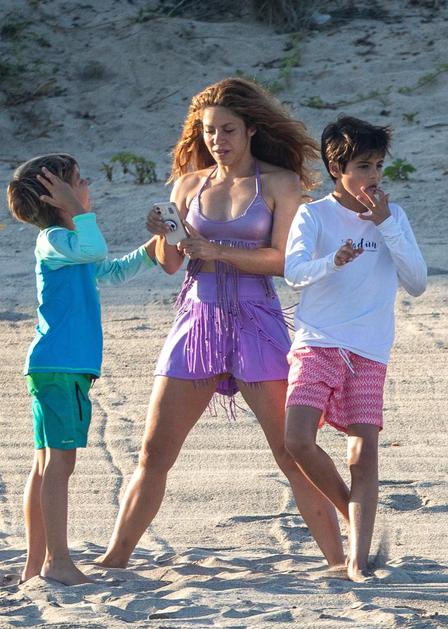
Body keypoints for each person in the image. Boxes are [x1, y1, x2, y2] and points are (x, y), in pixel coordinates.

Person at [99, 77, 346, 570]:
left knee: (291, 454)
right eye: (209, 131)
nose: (217, 140)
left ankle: (342, 560)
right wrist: (163, 235)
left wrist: (216, 250)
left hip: (258, 324)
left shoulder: (279, 183)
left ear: (251, 129)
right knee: (153, 454)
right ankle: (113, 560)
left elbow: (284, 261)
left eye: (228, 130)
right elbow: (172, 264)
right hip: (197, 322)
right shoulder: (188, 185)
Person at [283, 116, 427, 582]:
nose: (374, 176)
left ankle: (358, 561)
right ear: (336, 168)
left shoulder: (393, 216)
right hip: (318, 341)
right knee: (297, 440)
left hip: (369, 349)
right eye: (363, 166)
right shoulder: (314, 215)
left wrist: (387, 225)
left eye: (379, 165)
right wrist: (333, 260)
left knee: (363, 454)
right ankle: (354, 515)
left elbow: (417, 283)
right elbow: (294, 272)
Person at [7, 154, 157, 586]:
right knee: (58, 465)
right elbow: (95, 249)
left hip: (58, 368)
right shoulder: (54, 238)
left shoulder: (68, 243)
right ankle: (57, 561)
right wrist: (78, 209)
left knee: (45, 464)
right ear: (57, 195)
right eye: (78, 181)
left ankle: (35, 565)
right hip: (59, 367)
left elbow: (108, 270)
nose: (87, 184)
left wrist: (153, 249)